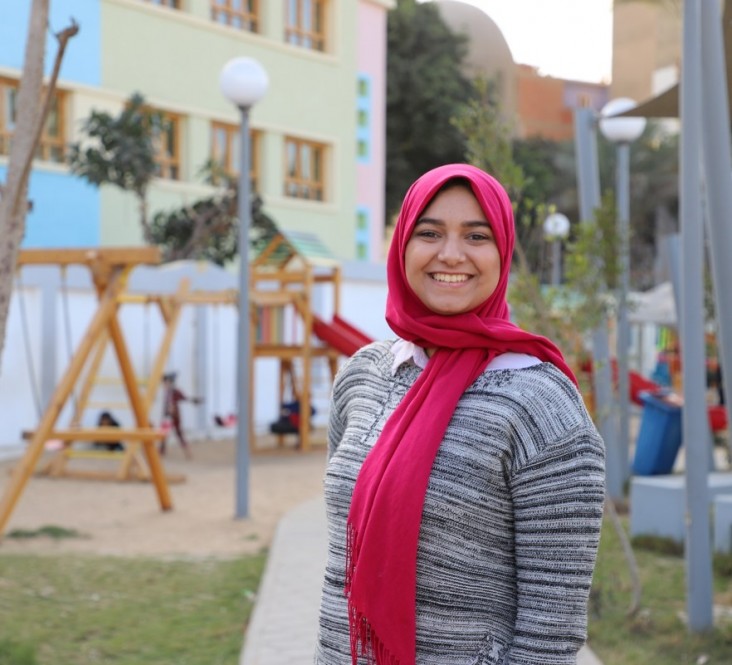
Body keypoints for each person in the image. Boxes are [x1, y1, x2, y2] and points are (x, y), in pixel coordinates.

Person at [315, 164, 606, 665]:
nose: (450, 254)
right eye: (429, 233)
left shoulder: (542, 404)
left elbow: (552, 629)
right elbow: (341, 557)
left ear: (503, 253)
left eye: (477, 235)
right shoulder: (364, 375)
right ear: (402, 244)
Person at [159, 372, 202, 459]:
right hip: (167, 416)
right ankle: (162, 452)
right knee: (163, 434)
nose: (164, 384)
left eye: (165, 382)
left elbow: (185, 398)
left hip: (174, 417)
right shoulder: (167, 392)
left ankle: (188, 453)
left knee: (178, 434)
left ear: (170, 382)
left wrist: (194, 400)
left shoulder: (175, 392)